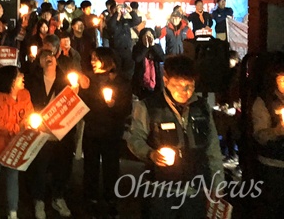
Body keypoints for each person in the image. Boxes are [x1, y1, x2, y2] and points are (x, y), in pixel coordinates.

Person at [127, 55, 224, 218]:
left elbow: (212, 148)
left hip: (196, 189)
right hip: (161, 190)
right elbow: (134, 139)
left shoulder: (202, 108)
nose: (185, 92)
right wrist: (151, 154)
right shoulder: (149, 107)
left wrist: (217, 185)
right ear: (165, 80)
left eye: (190, 86)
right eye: (178, 85)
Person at [25, 49, 87, 219]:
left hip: (62, 133)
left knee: (62, 166)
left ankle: (58, 197)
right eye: (44, 56)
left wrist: (75, 92)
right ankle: (39, 200)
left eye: (51, 55)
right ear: (39, 62)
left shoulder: (65, 80)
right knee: (40, 167)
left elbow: (73, 105)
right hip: (41, 132)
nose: (48, 58)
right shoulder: (33, 80)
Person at [80, 47, 131, 219]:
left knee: (111, 167)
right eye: (92, 59)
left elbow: (127, 109)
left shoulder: (121, 82)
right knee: (90, 167)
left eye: (96, 59)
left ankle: (111, 200)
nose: (92, 62)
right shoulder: (88, 80)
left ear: (108, 60)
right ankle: (91, 200)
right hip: (92, 131)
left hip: (111, 133)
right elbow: (82, 107)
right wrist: (79, 89)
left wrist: (113, 105)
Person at [0, 66, 33, 219]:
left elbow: (29, 114)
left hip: (14, 146)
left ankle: (13, 212)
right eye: (18, 75)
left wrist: (28, 123)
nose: (23, 76)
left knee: (13, 179)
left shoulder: (25, 95)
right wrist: (19, 126)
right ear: (10, 80)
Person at [251, 61, 284, 219]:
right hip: (273, 164)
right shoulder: (264, 102)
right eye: (282, 80)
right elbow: (260, 135)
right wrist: (278, 131)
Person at [132, 28, 165, 99]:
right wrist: (145, 47)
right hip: (142, 82)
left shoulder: (157, 47)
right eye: (146, 36)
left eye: (150, 35)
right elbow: (137, 59)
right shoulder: (137, 47)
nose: (148, 37)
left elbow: (162, 58)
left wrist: (153, 46)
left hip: (155, 81)